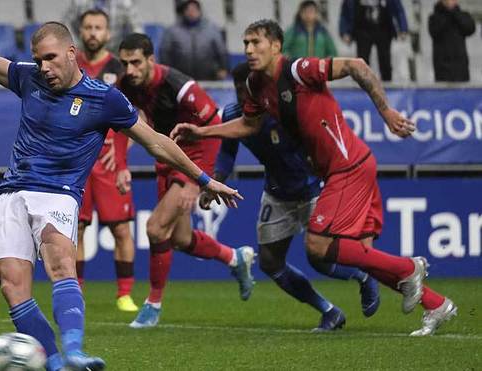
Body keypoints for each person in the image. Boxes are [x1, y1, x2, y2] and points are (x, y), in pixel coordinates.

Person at [0, 1, 242, 370]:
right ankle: (54, 364)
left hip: (59, 194)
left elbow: (156, 142)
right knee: (11, 284)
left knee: (60, 261)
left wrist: (206, 179)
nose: (44, 67)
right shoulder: (30, 77)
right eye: (38, 59)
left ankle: (76, 351)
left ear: (71, 53)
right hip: (12, 192)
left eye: (50, 58)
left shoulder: (105, 98)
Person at [171, 19, 457, 337]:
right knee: (354, 252)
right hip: (333, 172)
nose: (249, 49)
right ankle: (435, 303)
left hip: (348, 166)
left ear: (276, 46)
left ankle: (409, 268)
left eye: (256, 42)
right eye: (246, 43)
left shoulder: (298, 70)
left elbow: (357, 65)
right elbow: (248, 126)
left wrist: (386, 111)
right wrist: (201, 131)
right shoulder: (254, 85)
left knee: (319, 246)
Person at [202, 62, 379, 332]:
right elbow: (227, 155)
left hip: (312, 188)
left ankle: (363, 275)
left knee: (319, 258)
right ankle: (328, 311)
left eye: (247, 89)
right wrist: (215, 183)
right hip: (277, 193)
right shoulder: (233, 115)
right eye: (238, 90)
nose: (243, 96)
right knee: (270, 262)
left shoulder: (281, 110)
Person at [117, 33, 255, 329]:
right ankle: (235, 258)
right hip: (166, 155)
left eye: (136, 62)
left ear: (151, 60)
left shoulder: (180, 87)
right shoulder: (126, 84)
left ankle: (152, 305)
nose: (130, 70)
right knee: (179, 238)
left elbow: (214, 123)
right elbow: (116, 121)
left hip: (192, 157)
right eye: (125, 63)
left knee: (155, 228)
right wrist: (120, 165)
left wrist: (198, 179)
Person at [75, 8, 138, 312]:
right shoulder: (69, 64)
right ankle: (77, 292)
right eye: (88, 27)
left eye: (98, 27)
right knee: (76, 228)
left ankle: (124, 294)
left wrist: (123, 162)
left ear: (108, 33)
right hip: (77, 161)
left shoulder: (120, 69)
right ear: (81, 31)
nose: (93, 33)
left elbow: (133, 119)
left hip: (110, 163)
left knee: (122, 229)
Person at [159, 0, 228, 80]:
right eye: (188, 9)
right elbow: (164, 52)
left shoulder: (212, 29)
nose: (191, 12)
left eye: (194, 9)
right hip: (180, 80)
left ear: (199, 11)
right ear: (183, 11)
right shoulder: (172, 31)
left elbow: (221, 51)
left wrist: (223, 68)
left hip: (209, 79)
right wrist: (167, 72)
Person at [339, 0, 408, 81]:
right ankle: (362, 85)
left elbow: (398, 9)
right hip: (362, 30)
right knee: (362, 61)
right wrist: (344, 31)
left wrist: (403, 28)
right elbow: (345, 11)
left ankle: (387, 85)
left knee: (385, 61)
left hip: (383, 29)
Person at [63, 0, 143, 53]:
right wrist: (75, 45)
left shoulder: (124, 3)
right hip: (85, 50)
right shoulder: (79, 2)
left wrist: (132, 49)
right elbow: (66, 24)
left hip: (115, 51)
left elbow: (136, 28)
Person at [428, 0, 476, 82]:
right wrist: (447, 13)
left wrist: (454, 13)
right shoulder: (434, 17)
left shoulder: (463, 15)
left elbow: (470, 29)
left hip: (460, 65)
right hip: (442, 65)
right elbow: (435, 32)